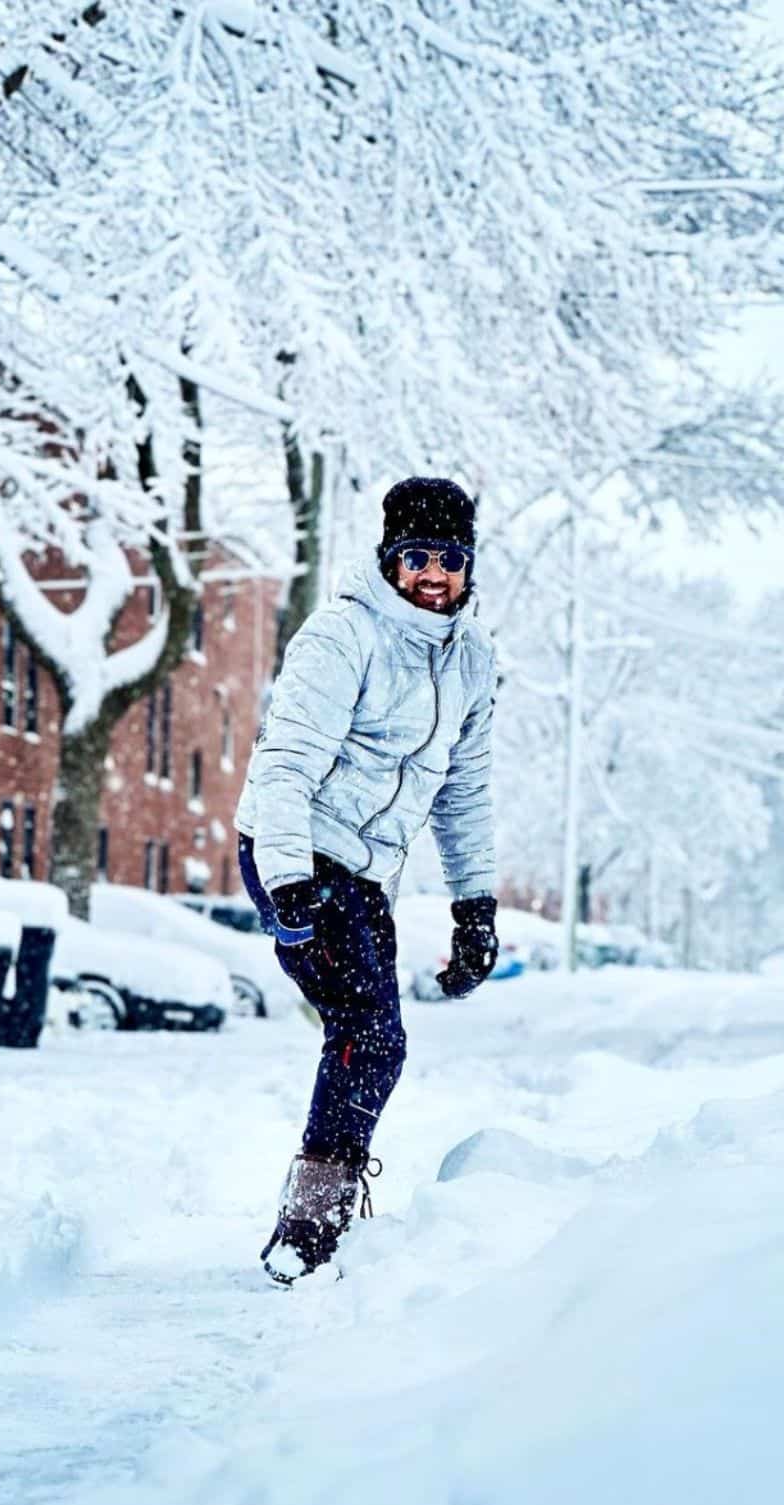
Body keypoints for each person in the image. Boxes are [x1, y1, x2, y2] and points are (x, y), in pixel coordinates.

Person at [235, 476, 500, 1283]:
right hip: (295, 847)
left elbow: (464, 791)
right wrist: (287, 879)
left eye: (449, 558)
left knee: (372, 1036)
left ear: (467, 566)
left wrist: (474, 908)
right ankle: (309, 1226)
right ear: (390, 559)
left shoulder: (473, 660)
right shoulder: (343, 636)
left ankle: (318, 1209)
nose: (433, 573)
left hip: (365, 872)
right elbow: (285, 764)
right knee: (373, 1032)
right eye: (416, 556)